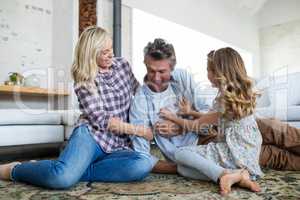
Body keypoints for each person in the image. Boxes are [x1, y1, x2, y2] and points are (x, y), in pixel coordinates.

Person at [0, 26, 153, 189]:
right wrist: (140, 130)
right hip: (92, 136)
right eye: (104, 52)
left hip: (118, 143)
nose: (111, 54)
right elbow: (102, 121)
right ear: (90, 53)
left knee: (143, 164)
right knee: (61, 179)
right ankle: (14, 169)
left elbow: (139, 93)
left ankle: (70, 168)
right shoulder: (84, 81)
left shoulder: (122, 65)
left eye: (111, 48)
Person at [160, 47, 262, 195]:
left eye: (209, 70)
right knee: (183, 169)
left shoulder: (224, 101)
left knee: (180, 154)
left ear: (219, 73)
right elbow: (214, 117)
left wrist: (172, 117)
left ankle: (224, 174)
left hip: (233, 151)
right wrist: (190, 112)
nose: (207, 74)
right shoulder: (240, 95)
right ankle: (239, 176)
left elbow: (196, 126)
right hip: (249, 152)